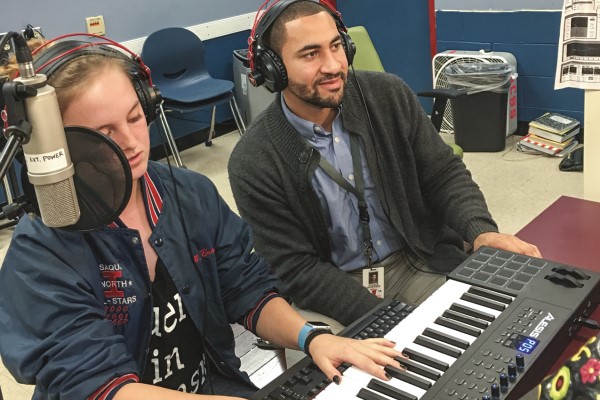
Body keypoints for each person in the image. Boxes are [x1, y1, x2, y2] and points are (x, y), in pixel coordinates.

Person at [0, 37, 405, 399]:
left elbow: (246, 290)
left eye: (135, 117)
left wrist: (311, 338)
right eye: (104, 132)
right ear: (56, 146)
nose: (130, 141)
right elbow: (99, 387)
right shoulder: (42, 252)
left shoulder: (188, 193)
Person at [228, 0, 541, 329]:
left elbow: (443, 174)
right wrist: (389, 321)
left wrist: (481, 231)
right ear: (274, 68)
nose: (334, 65)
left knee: (512, 329)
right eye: (311, 54)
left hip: (420, 255)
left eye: (337, 46)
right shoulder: (254, 161)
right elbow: (296, 269)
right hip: (337, 285)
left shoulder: (388, 95)